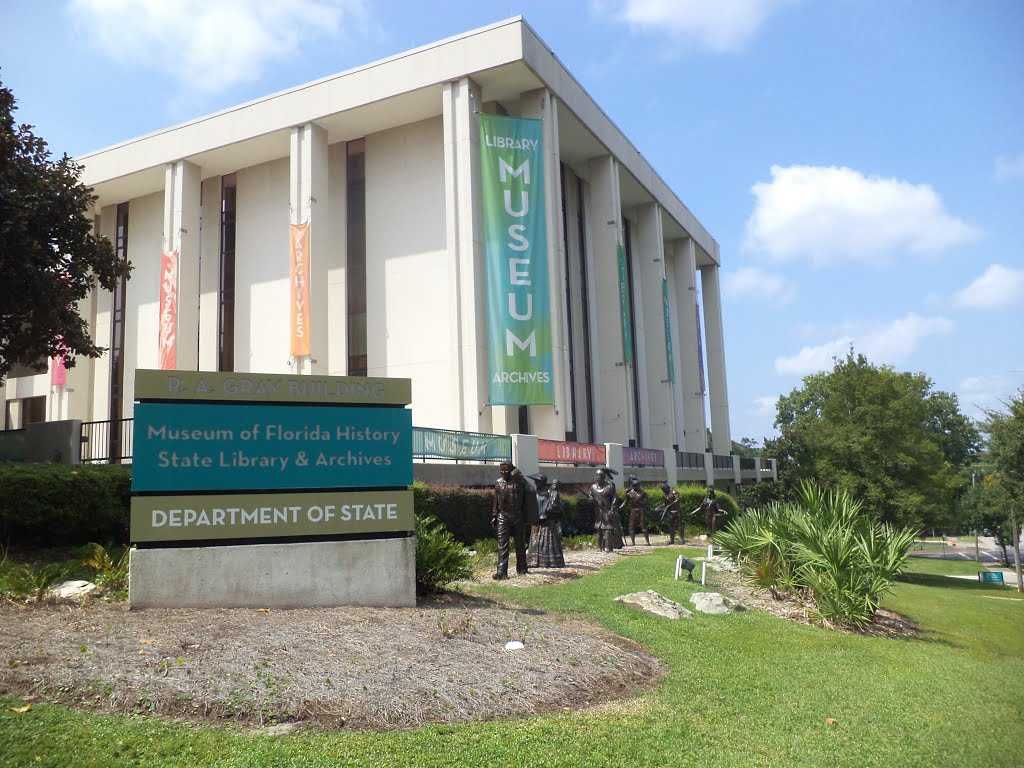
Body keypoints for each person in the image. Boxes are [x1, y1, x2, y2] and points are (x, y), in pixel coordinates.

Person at [491, 462, 528, 579]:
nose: (503, 472)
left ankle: (522, 568)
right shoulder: (498, 483)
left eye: (506, 470)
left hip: (517, 516)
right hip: (503, 516)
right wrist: (494, 515)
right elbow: (496, 500)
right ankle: (501, 572)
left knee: (520, 544)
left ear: (511, 470)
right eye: (501, 470)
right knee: (502, 545)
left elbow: (527, 493)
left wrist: (518, 473)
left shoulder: (519, 482)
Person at [525, 473, 565, 568]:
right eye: (535, 481)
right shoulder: (534, 493)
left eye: (537, 482)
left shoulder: (551, 494)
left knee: (547, 542)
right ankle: (533, 561)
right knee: (535, 542)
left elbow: (557, 508)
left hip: (547, 522)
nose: (535, 483)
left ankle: (550, 562)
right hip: (536, 522)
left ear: (542, 482)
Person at [586, 467, 624, 553]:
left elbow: (614, 497)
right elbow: (590, 496)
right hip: (598, 511)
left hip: (607, 511)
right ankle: (600, 547)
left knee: (608, 529)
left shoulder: (609, 486)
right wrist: (590, 499)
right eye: (597, 476)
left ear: (603, 477)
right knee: (599, 529)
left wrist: (613, 508)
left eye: (600, 476)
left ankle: (608, 547)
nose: (598, 477)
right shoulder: (593, 487)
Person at [624, 476, 651, 546]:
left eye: (639, 485)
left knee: (643, 525)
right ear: (634, 486)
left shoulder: (642, 492)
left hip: (641, 510)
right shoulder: (629, 494)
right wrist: (618, 508)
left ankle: (647, 542)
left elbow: (648, 499)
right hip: (633, 511)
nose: (639, 487)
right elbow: (625, 502)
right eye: (637, 485)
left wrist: (644, 503)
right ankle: (633, 542)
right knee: (631, 526)